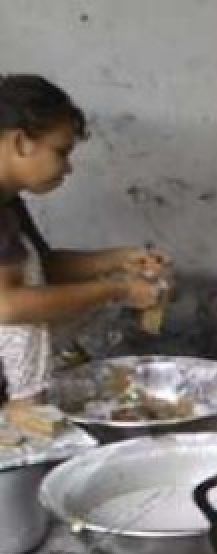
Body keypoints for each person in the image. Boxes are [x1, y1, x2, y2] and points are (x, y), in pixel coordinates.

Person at [0, 74, 167, 403]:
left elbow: (44, 268)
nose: (68, 168)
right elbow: (7, 306)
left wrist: (119, 260)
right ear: (21, 142)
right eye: (61, 152)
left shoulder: (8, 200)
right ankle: (20, 419)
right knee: (29, 319)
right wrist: (117, 289)